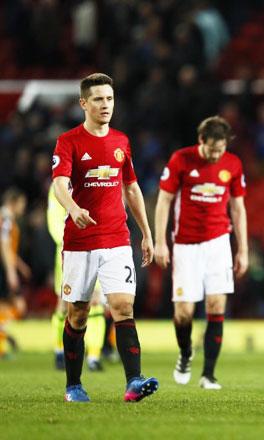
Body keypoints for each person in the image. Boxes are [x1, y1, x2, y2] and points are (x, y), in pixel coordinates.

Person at [51, 73, 158, 403]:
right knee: (78, 314)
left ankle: (134, 382)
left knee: (123, 307)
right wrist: (73, 208)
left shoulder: (121, 142)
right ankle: (73, 385)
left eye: (109, 99)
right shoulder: (68, 141)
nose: (105, 105)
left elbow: (131, 187)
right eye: (98, 99)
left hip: (116, 240)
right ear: (84, 103)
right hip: (81, 242)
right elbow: (58, 183)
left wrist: (147, 233)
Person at [154, 116, 248, 390]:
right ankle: (185, 354)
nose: (216, 155)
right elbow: (164, 201)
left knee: (216, 306)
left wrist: (242, 249)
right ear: (201, 142)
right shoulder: (181, 160)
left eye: (221, 150)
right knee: (183, 313)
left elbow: (238, 208)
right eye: (211, 150)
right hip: (185, 245)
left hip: (218, 244)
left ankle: (208, 374)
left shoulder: (233, 164)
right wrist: (160, 241)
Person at [47, 184, 106, 371]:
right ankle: (59, 350)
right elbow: (54, 217)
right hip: (68, 249)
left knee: (96, 301)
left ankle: (94, 356)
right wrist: (66, 240)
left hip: (95, 247)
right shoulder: (60, 182)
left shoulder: (95, 176)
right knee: (65, 304)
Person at [0, 187, 28, 359]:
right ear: (14, 202)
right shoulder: (7, 218)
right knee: (15, 306)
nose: (23, 207)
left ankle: (3, 343)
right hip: (3, 268)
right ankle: (2, 345)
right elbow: (4, 244)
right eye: (22, 203)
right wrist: (11, 271)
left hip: (6, 265)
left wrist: (20, 265)